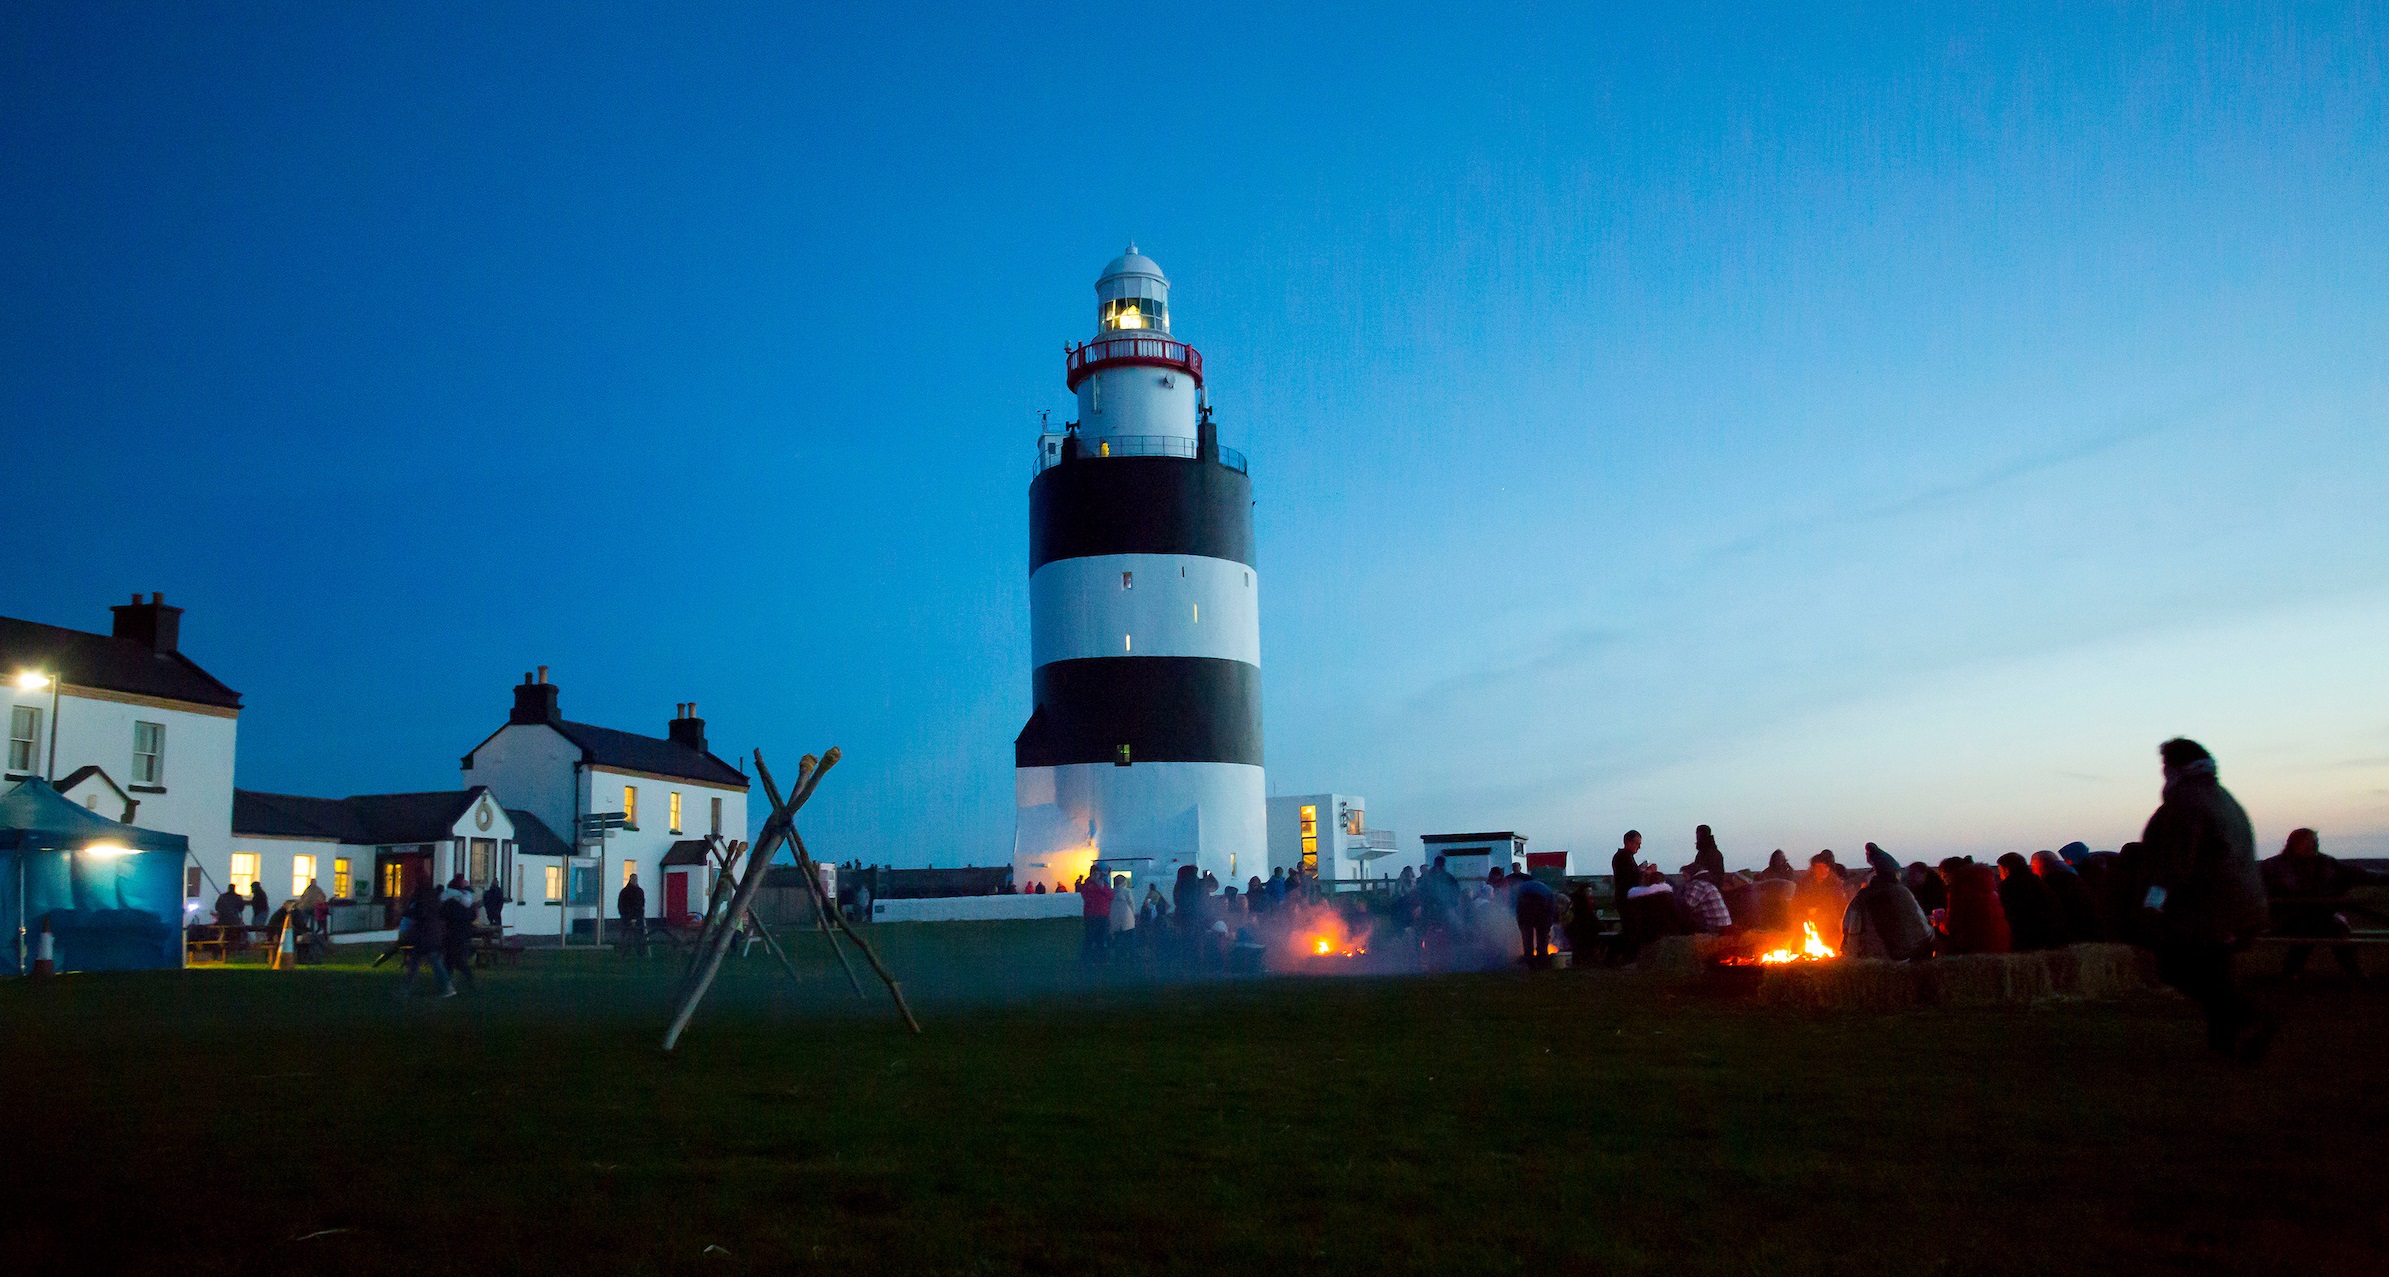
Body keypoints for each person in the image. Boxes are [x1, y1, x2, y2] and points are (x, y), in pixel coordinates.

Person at [2140, 738, 2273, 1059]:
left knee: (2176, 967)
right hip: (2238, 902)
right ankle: (2223, 1045)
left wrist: (2153, 903)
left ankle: (2252, 1017)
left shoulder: (2187, 803)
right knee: (2216, 969)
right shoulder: (2222, 798)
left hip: (2207, 906)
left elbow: (2175, 862)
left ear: (2174, 768)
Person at [2260, 828, 2376, 983]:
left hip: (2317, 919)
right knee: (2323, 927)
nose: (2314, 845)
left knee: (2321, 926)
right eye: (2310, 841)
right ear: (2295, 844)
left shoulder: (2327, 863)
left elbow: (2358, 874)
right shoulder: (2273, 866)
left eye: (2316, 842)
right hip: (2285, 920)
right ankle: (2355, 973)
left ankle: (2291, 973)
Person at [1843, 847, 1933, 960]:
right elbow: (1923, 929)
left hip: (1874, 958)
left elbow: (1850, 932)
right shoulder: (1903, 893)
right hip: (1907, 955)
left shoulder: (1861, 897)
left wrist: (1851, 958)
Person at [1935, 858, 2010, 955]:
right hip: (1999, 943)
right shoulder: (1987, 886)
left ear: (1949, 874)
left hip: (1975, 948)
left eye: (1943, 875)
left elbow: (1951, 927)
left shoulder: (1958, 891)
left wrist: (1938, 924)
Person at [1996, 853, 2066, 951]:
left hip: (2024, 938)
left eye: (2000, 871)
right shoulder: (2038, 882)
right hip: (2049, 936)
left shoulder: (2008, 887)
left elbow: (2010, 915)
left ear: (2006, 870)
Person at [2031, 850, 2102, 944]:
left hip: (2071, 937)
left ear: (2039, 864)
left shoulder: (2049, 885)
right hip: (2093, 933)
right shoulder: (2076, 878)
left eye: (2033, 867)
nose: (2032, 871)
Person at [398, 882, 454, 997]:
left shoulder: (423, 904)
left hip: (425, 938)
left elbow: (417, 914)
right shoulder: (434, 903)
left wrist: (403, 911)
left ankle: (447, 986)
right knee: (424, 963)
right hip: (430, 938)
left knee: (428, 963)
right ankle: (406, 990)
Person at [1792, 852, 1852, 948]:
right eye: (1818, 867)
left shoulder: (1835, 884)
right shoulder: (1805, 883)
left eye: (1825, 867)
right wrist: (1806, 910)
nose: (1822, 870)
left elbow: (1839, 906)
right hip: (1806, 920)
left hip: (1829, 921)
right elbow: (1797, 901)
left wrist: (1819, 910)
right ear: (1813, 869)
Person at [1509, 869, 1559, 966]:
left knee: (1527, 935)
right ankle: (1542, 959)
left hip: (1526, 905)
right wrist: (1547, 926)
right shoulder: (1547, 889)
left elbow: (1515, 907)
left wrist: (1521, 924)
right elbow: (1551, 910)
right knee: (1542, 936)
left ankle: (1529, 960)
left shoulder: (1520, 888)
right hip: (1541, 905)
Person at [440, 882, 479, 991]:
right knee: (457, 961)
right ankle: (457, 983)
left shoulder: (447, 905)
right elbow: (471, 916)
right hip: (460, 935)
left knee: (451, 961)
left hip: (450, 935)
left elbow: (442, 918)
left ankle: (447, 985)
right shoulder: (461, 905)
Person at [1676, 863, 1732, 934]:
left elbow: (1685, 907)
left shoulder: (1696, 884)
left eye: (1685, 876)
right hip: (1724, 925)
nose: (1683, 879)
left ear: (1692, 875)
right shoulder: (1707, 883)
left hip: (1713, 928)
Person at [1079, 868, 1115, 962]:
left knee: (1102, 938)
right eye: (1094, 874)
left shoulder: (1104, 884)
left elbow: (1111, 895)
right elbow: (1085, 895)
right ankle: (1086, 959)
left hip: (1102, 915)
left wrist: (1101, 886)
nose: (1096, 876)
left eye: (1097, 874)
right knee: (1090, 938)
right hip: (1091, 915)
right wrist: (1098, 887)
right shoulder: (1087, 884)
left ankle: (1100, 959)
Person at [1611, 831, 1644, 919]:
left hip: (1624, 898)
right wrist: (1644, 872)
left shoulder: (1623, 856)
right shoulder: (1623, 857)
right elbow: (1629, 878)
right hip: (1627, 899)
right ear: (1629, 842)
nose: (1639, 847)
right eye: (1637, 843)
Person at [617, 872, 647, 957]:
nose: (635, 881)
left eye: (636, 879)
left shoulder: (640, 891)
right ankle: (623, 953)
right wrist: (629, 916)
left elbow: (641, 904)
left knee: (639, 937)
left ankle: (640, 953)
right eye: (633, 879)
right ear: (630, 879)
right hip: (627, 917)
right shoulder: (624, 892)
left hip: (638, 917)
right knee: (626, 937)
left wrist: (639, 915)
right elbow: (622, 905)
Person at [1108, 874, 1137, 952]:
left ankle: (1118, 955)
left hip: (1114, 918)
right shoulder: (1127, 891)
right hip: (1127, 919)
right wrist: (1133, 915)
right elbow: (1131, 904)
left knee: (1117, 938)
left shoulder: (1111, 892)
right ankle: (1131, 955)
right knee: (1130, 939)